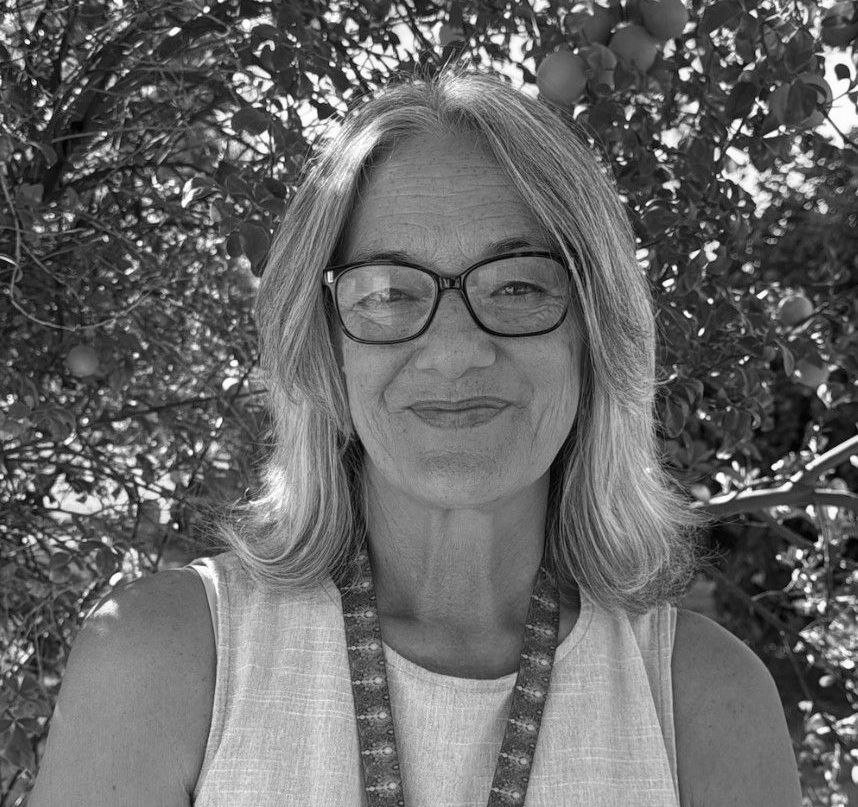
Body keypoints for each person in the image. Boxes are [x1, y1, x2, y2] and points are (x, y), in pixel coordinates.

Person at [27, 64, 802, 807]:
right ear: (323, 347)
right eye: (390, 293)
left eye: (520, 285)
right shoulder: (163, 665)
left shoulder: (707, 707)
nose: (457, 349)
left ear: (596, 335)